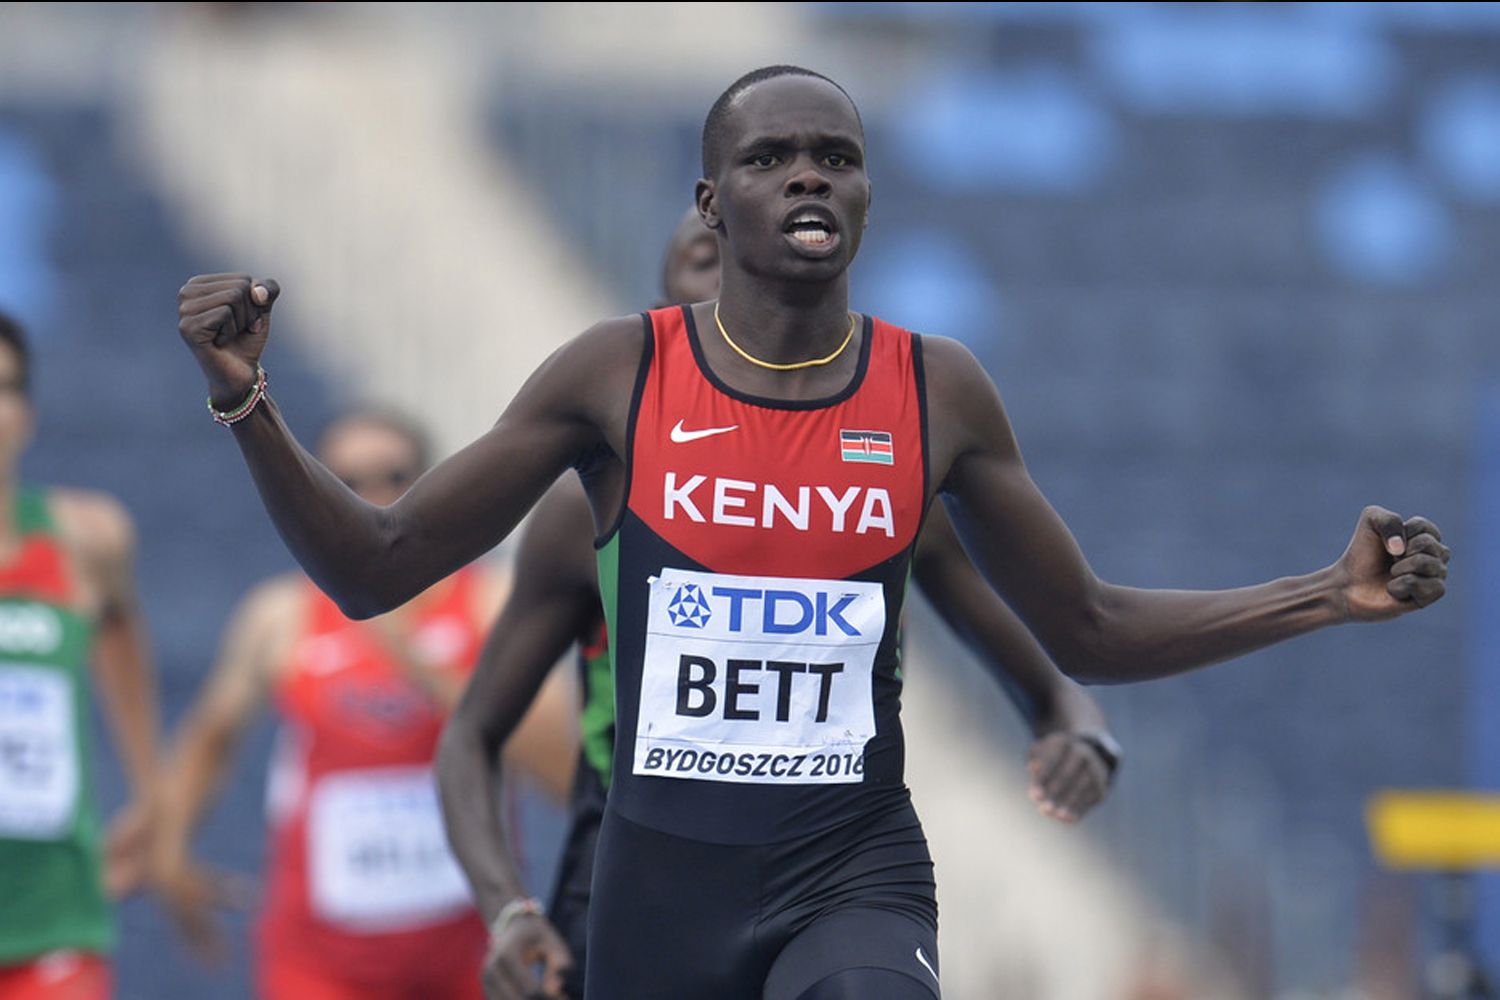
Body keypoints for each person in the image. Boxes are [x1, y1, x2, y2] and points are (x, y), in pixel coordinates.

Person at [175, 65, 1449, 1000]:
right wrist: (247, 400)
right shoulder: (613, 376)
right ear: (710, 201)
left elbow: (1089, 631)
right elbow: (375, 566)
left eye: (834, 155)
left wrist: (1326, 595)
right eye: (771, 155)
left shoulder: (933, 390)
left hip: (851, 863)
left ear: (866, 192)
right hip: (657, 875)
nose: (806, 174)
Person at [438, 206, 1123, 1000]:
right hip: (634, 873)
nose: (738, 277)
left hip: (823, 870)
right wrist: (508, 908)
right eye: (706, 260)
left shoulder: (892, 487)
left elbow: (1056, 672)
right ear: (669, 311)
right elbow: (472, 734)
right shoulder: (583, 511)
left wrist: (1084, 735)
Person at [149, 406, 574, 1000]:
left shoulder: (488, 602)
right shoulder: (283, 615)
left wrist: (417, 655)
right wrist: (170, 851)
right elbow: (210, 736)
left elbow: (564, 772)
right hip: (320, 965)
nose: (371, 498)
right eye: (346, 484)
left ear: (432, 484)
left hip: (468, 958)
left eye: (393, 477)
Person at [0, 309, 163, 1000]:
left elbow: (120, 631)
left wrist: (149, 788)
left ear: (28, 415)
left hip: (54, 929)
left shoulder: (86, 539)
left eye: (6, 387)